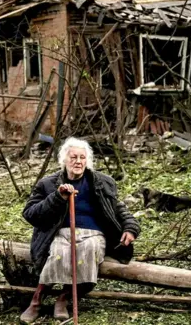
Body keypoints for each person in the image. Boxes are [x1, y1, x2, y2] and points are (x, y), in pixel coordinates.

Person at [20, 137, 141, 323]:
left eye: (82, 157)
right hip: (60, 233)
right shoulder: (48, 184)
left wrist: (130, 228)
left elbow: (118, 208)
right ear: (64, 160)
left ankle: (64, 298)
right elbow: (30, 213)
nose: (78, 161)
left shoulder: (102, 182)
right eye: (73, 157)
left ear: (88, 160)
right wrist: (57, 197)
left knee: (88, 250)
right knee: (60, 252)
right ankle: (36, 301)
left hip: (93, 234)